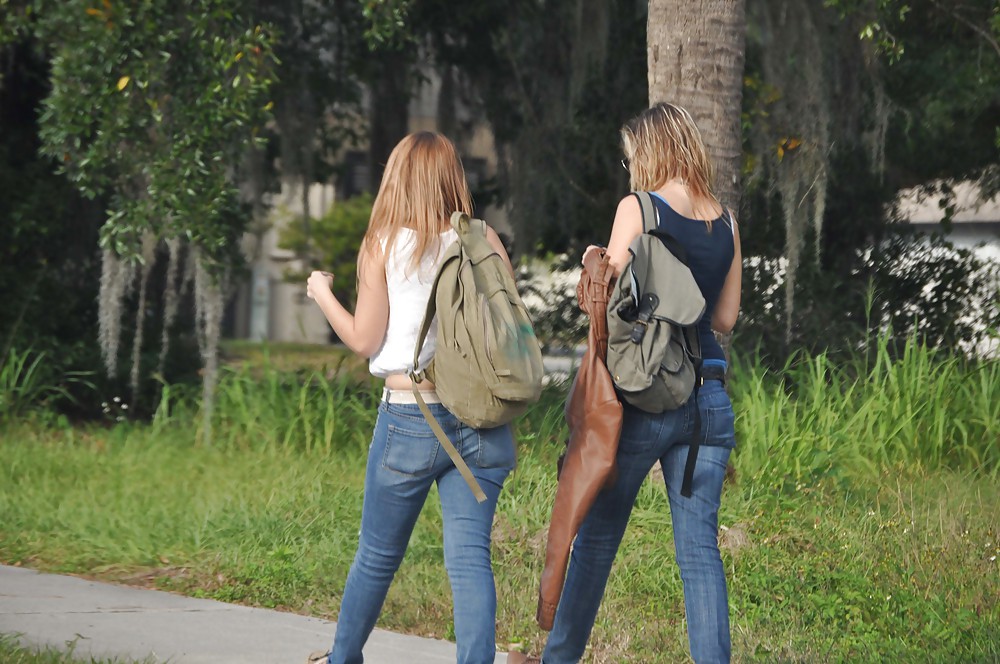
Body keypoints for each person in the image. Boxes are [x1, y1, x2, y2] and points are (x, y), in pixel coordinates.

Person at [515, 102, 742, 664]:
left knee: (596, 540)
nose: (628, 163)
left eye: (631, 152)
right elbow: (726, 318)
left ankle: (558, 659)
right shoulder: (726, 220)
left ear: (651, 150)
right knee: (699, 556)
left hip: (646, 398)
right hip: (709, 397)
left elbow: (607, 300)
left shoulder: (639, 208)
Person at [304, 131, 518, 664]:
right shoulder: (483, 239)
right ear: (453, 178)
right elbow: (513, 331)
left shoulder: (383, 242)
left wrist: (321, 292)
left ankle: (342, 659)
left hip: (411, 417)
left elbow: (362, 340)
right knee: (470, 561)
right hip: (482, 421)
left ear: (396, 176)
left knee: (377, 555)